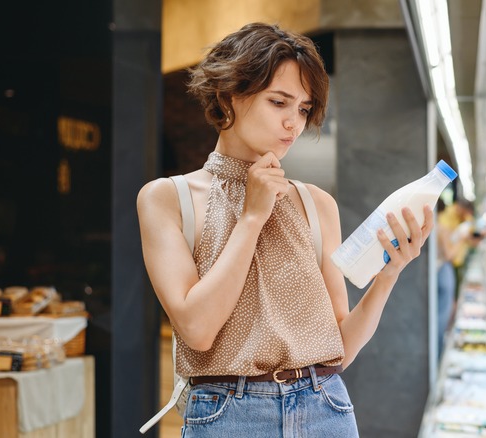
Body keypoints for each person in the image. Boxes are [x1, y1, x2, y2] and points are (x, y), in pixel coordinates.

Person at [136, 23, 434, 437]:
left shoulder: (316, 204)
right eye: (279, 102)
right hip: (228, 417)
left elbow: (341, 348)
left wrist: (389, 273)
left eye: (304, 109)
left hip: (325, 407)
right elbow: (198, 330)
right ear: (228, 95)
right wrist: (252, 217)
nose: (294, 123)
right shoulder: (168, 198)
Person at [435, 198, 482, 353]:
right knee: (443, 312)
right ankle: (439, 348)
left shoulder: (455, 221)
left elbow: (471, 241)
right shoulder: (443, 223)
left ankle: (440, 345)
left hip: (446, 269)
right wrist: (461, 237)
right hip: (445, 268)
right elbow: (449, 253)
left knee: (445, 309)